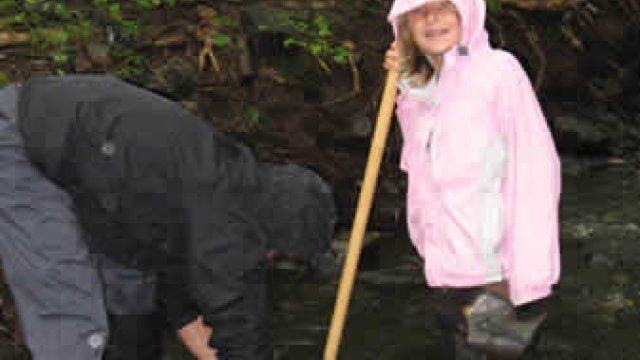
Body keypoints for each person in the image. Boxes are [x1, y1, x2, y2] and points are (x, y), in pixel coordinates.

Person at [0, 74, 335, 360]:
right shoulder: (223, 212)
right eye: (280, 252)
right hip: (24, 143)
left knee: (134, 300)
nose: (272, 259)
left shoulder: (219, 189)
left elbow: (180, 292)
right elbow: (239, 321)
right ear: (275, 228)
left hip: (91, 166)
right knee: (76, 319)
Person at [383, 0, 561, 358]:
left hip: (497, 276)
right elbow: (424, 179)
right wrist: (406, 82)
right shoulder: (421, 92)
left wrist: (526, 277)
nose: (431, 19)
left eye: (444, 7)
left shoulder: (498, 72)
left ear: (467, 13)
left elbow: (537, 172)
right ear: (405, 26)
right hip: (447, 274)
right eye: (418, 11)